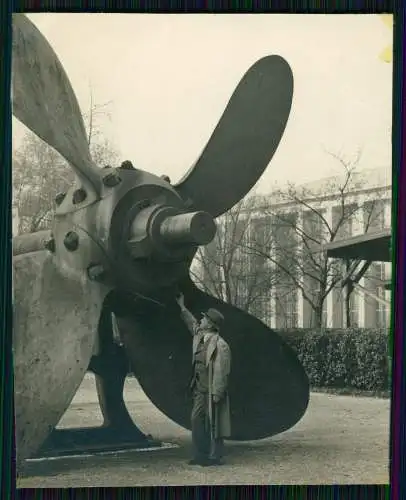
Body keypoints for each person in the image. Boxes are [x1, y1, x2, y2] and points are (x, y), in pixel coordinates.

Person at [176, 293, 231, 466]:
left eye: (205, 319)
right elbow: (191, 323)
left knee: (214, 423)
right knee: (198, 421)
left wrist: (217, 392)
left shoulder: (220, 344)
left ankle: (214, 457)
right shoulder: (200, 336)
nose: (201, 320)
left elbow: (222, 371)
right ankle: (201, 455)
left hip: (211, 389)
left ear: (211, 325)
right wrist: (182, 307)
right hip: (199, 388)